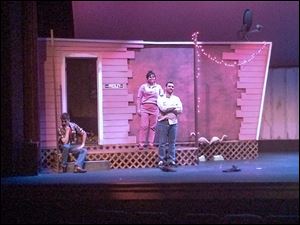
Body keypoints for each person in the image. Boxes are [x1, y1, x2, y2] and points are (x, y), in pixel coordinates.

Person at [157, 81, 183, 168]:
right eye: (169, 86)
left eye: (172, 87)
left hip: (174, 123)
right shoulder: (160, 98)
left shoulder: (176, 98)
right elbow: (163, 109)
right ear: (165, 87)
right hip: (163, 123)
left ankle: (172, 160)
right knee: (162, 143)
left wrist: (172, 109)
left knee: (172, 143)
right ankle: (161, 160)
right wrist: (173, 108)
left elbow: (180, 110)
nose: (171, 88)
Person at [137, 71, 164, 150]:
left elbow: (162, 98)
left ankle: (150, 143)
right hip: (144, 108)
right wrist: (138, 109)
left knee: (153, 127)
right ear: (147, 78)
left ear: (155, 78)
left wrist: (161, 110)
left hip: (155, 108)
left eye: (153, 77)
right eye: (150, 77)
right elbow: (139, 98)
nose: (151, 78)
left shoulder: (158, 87)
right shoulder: (143, 87)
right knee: (144, 126)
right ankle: (141, 143)